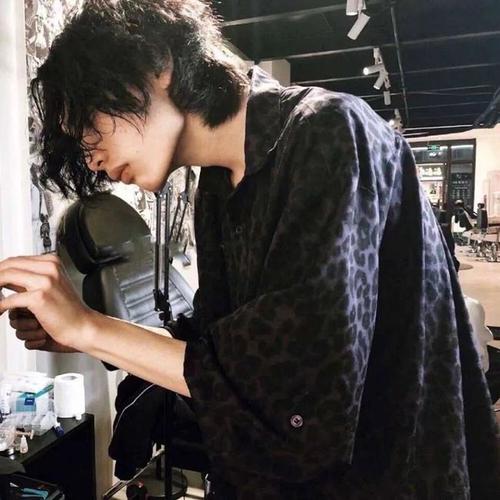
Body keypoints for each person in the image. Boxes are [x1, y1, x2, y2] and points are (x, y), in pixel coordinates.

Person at [0, 1, 498, 498]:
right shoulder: (218, 189)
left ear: (155, 66)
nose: (92, 159)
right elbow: (224, 352)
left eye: (89, 123)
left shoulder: (326, 131)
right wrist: (82, 333)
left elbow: (297, 396)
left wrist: (88, 326)